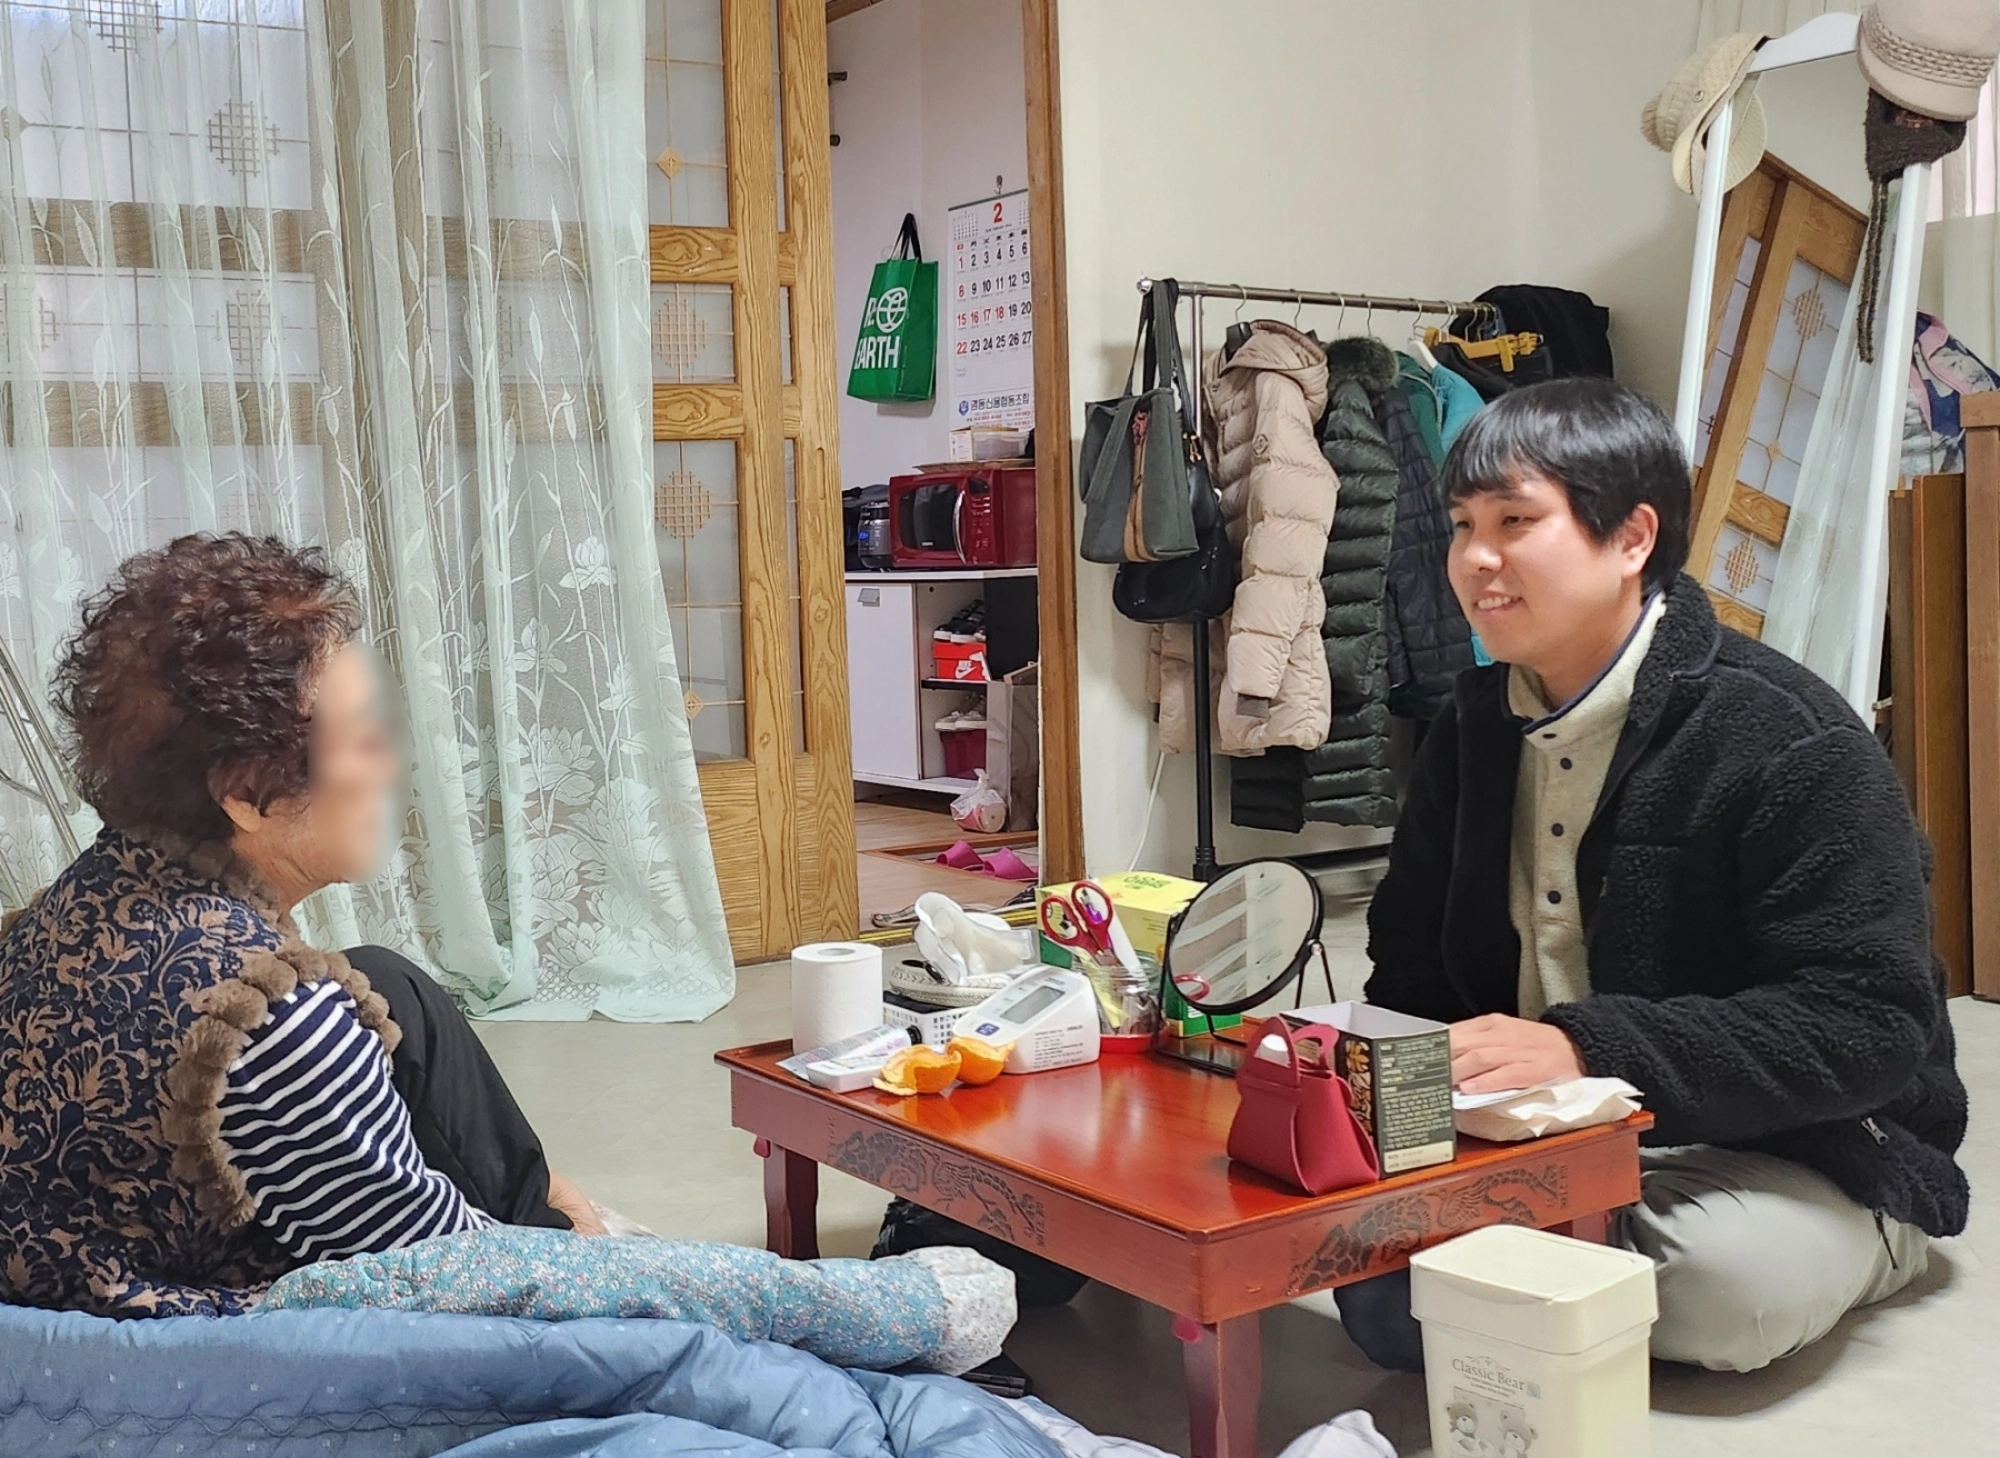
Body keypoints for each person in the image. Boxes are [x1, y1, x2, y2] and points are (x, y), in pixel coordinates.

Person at [1337, 379, 1969, 1373]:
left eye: (1513, 521)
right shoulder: (1467, 730)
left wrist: (1582, 1048)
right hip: (1550, 1133)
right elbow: (1412, 976)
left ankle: (1876, 1239)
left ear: (1631, 538)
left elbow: (1867, 1024)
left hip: (1796, 1138)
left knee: (1720, 1289)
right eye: (1461, 526)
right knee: (1371, 1279)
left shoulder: (1786, 736)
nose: (1474, 559)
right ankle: (1544, 1256)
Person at [0, 534, 602, 1317]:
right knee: (575, 1291)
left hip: (78, 1254)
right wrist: (590, 1270)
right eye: (363, 739)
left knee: (385, 980)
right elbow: (450, 1281)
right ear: (245, 793)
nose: (390, 764)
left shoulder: (87, 891)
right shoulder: (274, 1028)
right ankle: (555, 1227)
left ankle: (540, 1197)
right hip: (198, 1344)